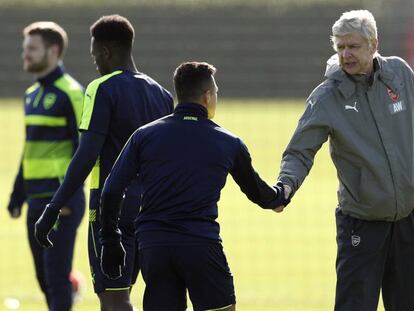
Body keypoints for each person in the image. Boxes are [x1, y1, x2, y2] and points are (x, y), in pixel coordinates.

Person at [98, 61, 288, 311]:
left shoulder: (144, 135)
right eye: (216, 93)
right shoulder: (228, 141)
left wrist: (111, 240)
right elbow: (259, 194)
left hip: (154, 247)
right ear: (207, 96)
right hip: (200, 244)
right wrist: (281, 195)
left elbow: (111, 190)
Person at [276, 9, 414, 311]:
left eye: (353, 46)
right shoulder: (326, 97)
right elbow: (300, 151)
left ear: (373, 44)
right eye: (340, 47)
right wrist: (285, 186)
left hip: (408, 220)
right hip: (361, 224)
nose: (346, 54)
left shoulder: (401, 75)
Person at [34, 15, 173, 311]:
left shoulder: (101, 88)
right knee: (134, 296)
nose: (95, 60)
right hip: (152, 209)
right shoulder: (162, 95)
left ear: (106, 51)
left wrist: (52, 208)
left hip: (110, 211)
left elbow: (86, 156)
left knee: (114, 300)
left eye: (95, 53)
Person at [6, 21, 85, 311]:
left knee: (54, 278)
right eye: (24, 48)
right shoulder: (31, 95)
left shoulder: (72, 93)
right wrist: (17, 195)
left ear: (53, 51)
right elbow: (30, 148)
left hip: (60, 201)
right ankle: (70, 290)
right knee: (44, 278)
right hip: (35, 200)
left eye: (32, 49)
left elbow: (84, 150)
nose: (25, 55)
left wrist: (66, 196)